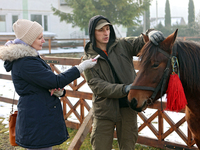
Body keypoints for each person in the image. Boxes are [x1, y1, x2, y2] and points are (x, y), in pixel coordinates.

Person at [0, 19, 97, 150]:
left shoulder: (29, 58)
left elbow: (45, 83)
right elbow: (55, 81)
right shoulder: (26, 62)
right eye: (40, 38)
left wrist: (59, 91)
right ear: (29, 40)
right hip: (37, 120)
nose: (44, 40)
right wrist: (80, 67)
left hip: (39, 117)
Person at [82, 15, 164, 150]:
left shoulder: (122, 44)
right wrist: (125, 89)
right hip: (104, 112)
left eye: (107, 29)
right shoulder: (88, 59)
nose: (106, 33)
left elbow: (141, 42)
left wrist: (151, 33)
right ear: (92, 32)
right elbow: (97, 86)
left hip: (128, 109)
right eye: (101, 30)